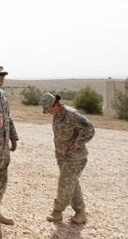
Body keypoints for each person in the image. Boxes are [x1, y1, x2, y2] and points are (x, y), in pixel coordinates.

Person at [39, 92, 95, 224]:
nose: (48, 112)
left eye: (48, 109)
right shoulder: (57, 115)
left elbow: (90, 129)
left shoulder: (72, 115)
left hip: (75, 157)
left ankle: (57, 212)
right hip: (62, 156)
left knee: (65, 183)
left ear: (55, 104)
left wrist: (77, 143)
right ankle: (80, 213)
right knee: (72, 183)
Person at [0, 65, 19, 234]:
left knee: (2, 180)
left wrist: (13, 137)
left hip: (4, 147)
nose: (2, 78)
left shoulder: (2, 95)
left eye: (3, 75)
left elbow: (8, 118)